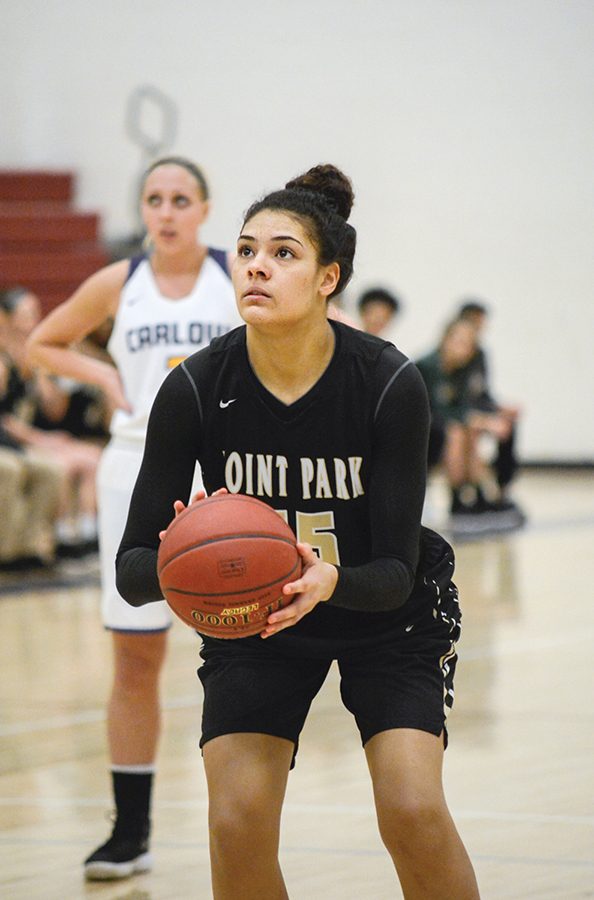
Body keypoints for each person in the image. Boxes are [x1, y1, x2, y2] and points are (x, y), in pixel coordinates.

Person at [115, 164, 480, 899]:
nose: (257, 265)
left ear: (327, 279)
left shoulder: (386, 382)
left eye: (284, 253)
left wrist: (330, 581)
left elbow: (394, 573)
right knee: (236, 821)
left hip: (385, 614)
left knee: (412, 810)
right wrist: (182, 554)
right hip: (258, 616)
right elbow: (131, 569)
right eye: (247, 250)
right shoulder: (193, 386)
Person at [26, 156, 243, 881]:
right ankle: (132, 831)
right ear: (144, 209)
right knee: (136, 658)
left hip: (223, 478)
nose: (167, 211)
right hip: (134, 468)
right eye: (155, 199)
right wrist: (106, 376)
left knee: (240, 654)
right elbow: (43, 342)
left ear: (205, 208)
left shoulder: (234, 274)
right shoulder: (119, 283)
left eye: (181, 198)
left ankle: (242, 818)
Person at [0, 287, 102, 555]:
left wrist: (45, 373)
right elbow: (6, 419)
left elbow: (55, 411)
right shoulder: (3, 360)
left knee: (93, 458)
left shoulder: (36, 356)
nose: (32, 320)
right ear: (6, 318)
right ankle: (60, 536)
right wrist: (42, 439)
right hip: (17, 437)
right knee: (63, 465)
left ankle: (87, 534)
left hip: (35, 434)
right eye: (25, 314)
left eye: (35, 313)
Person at [416, 318, 520, 534]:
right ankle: (459, 497)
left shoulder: (463, 369)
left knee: (471, 430)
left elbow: (467, 403)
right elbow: (437, 409)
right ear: (445, 339)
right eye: (460, 342)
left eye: (469, 345)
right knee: (456, 431)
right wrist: (481, 420)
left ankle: (483, 493)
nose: (464, 349)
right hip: (422, 434)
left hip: (447, 427)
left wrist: (493, 414)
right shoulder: (427, 366)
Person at [456, 300, 523, 516]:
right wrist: (483, 420)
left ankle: (503, 488)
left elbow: (482, 393)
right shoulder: (449, 355)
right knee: (471, 429)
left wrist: (500, 409)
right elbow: (450, 402)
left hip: (476, 408)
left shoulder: (480, 354)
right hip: (459, 414)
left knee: (509, 423)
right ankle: (472, 493)